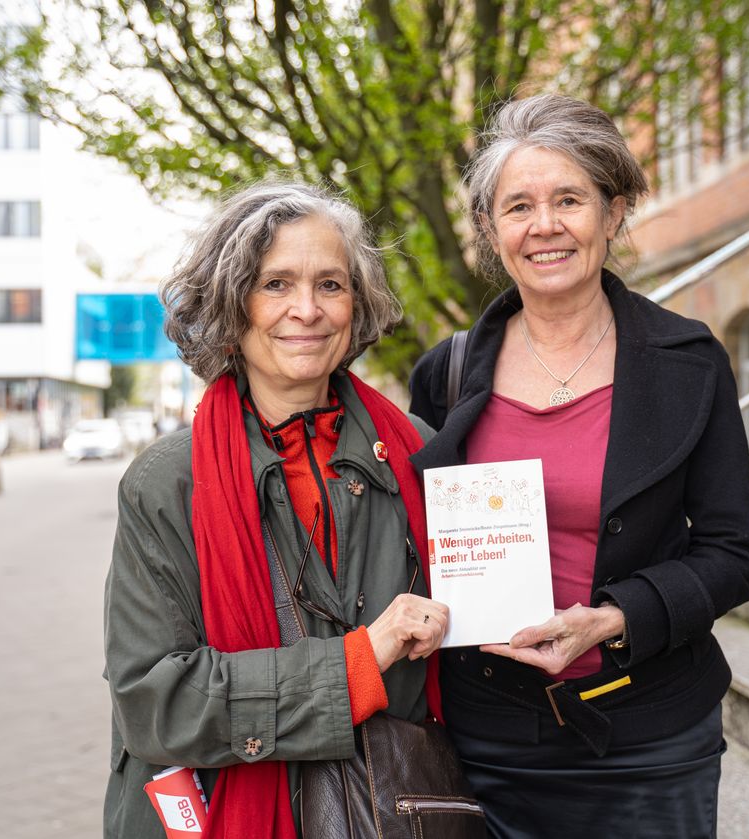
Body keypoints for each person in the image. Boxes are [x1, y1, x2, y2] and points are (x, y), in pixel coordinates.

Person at [409, 94, 749, 838]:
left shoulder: (687, 361)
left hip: (650, 737)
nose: (544, 225)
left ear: (614, 211)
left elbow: (733, 553)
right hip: (488, 738)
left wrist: (614, 618)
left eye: (568, 199)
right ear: (490, 231)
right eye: (518, 207)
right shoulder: (446, 374)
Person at [103, 181, 451, 838]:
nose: (307, 309)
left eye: (330, 284)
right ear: (232, 303)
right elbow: (158, 701)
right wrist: (359, 661)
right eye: (276, 284)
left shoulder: (418, 453)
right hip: (226, 814)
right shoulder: (168, 482)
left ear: (357, 303)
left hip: (391, 811)